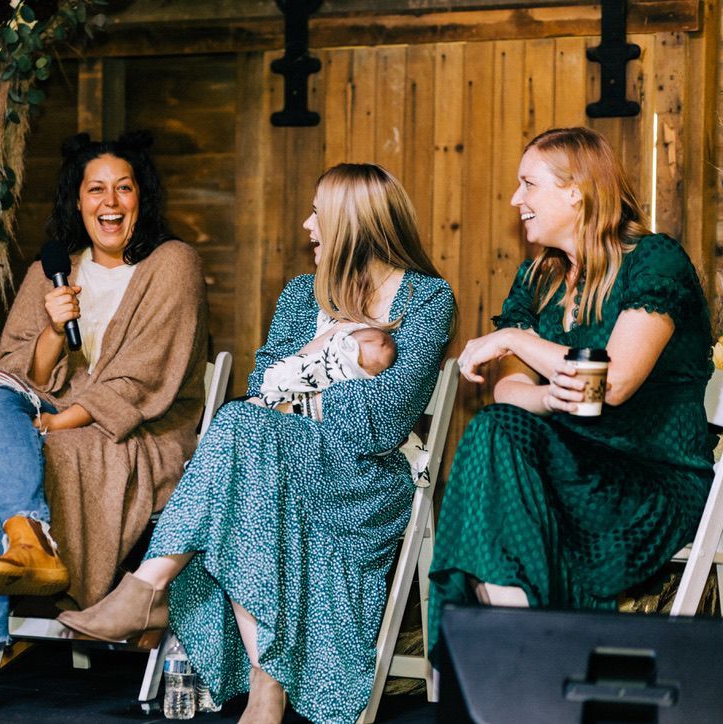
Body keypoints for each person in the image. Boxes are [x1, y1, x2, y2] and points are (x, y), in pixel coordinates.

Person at [59, 163, 455, 724]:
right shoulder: (301, 295)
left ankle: (147, 588)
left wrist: (301, 395)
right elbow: (259, 390)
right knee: (245, 436)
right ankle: (264, 689)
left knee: (240, 431)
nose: (306, 224)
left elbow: (383, 422)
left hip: (362, 478)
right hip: (277, 463)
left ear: (353, 222)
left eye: (317, 212)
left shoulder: (427, 300)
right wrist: (315, 379)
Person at [0, 132, 208, 718]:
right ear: (78, 200)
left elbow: (142, 380)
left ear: (141, 197)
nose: (110, 202)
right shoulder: (53, 269)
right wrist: (49, 329)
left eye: (124, 187)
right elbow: (18, 371)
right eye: (96, 189)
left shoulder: (172, 263)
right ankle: (29, 538)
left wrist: (54, 424)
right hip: (48, 417)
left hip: (132, 434)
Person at [427, 127, 715, 655]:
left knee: (497, 462)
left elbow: (615, 381)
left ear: (575, 191)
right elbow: (509, 391)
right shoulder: (539, 278)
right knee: (494, 431)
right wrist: (548, 397)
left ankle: (519, 659)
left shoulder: (653, 261)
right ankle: (526, 653)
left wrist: (516, 337)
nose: (517, 200)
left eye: (528, 184)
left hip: (648, 480)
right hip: (566, 466)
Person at [255, 323, 397, 418]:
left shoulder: (356, 385)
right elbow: (302, 358)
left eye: (362, 364)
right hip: (285, 385)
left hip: (298, 409)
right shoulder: (337, 337)